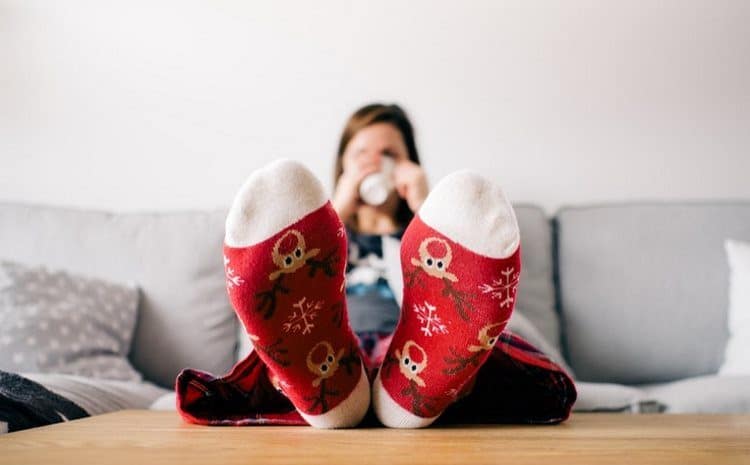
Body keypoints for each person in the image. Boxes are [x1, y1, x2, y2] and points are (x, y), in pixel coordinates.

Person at [175, 103, 576, 429]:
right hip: (324, 348)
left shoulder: (442, 239)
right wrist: (337, 210)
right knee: (284, 350)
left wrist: (425, 206)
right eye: (362, 156)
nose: (376, 165)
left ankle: (396, 393)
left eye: (390, 156)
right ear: (342, 170)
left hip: (422, 350)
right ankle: (343, 392)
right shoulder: (311, 238)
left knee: (475, 345)